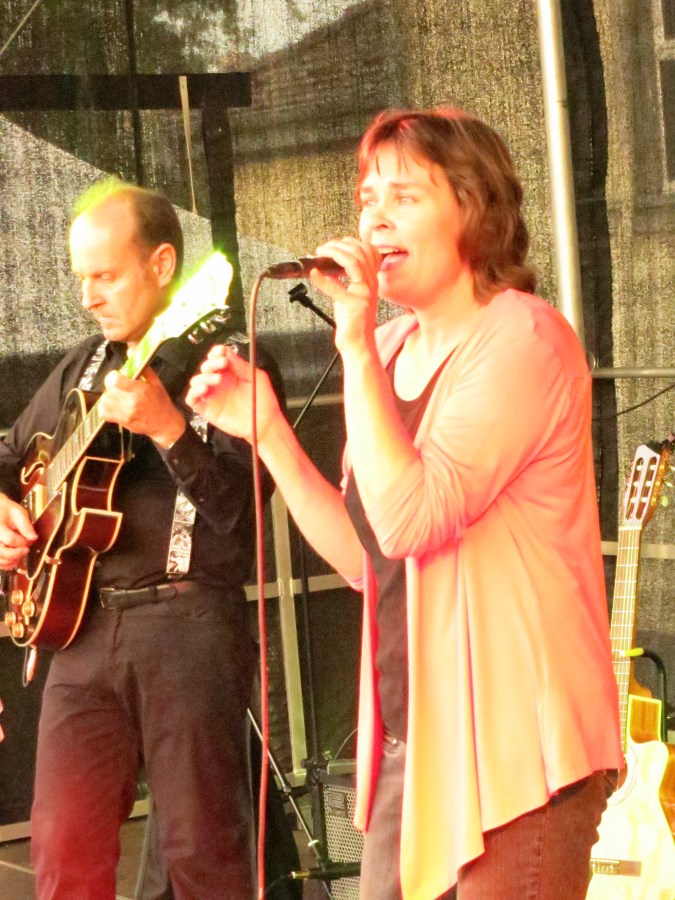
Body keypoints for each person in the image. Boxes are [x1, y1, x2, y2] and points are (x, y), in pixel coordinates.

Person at [186, 107, 624, 900]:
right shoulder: (387, 349)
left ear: (473, 210)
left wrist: (353, 344)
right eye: (366, 198)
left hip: (515, 745)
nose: (374, 218)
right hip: (409, 739)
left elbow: (410, 519)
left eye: (404, 196)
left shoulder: (523, 340)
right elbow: (368, 559)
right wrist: (269, 433)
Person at [0, 178, 283, 900]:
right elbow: (8, 455)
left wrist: (170, 430)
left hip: (187, 624)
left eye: (106, 276)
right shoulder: (82, 366)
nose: (88, 297)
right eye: (82, 279)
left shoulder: (231, 364)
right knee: (62, 851)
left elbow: (245, 519)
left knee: (201, 854)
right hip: (80, 632)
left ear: (163, 266)